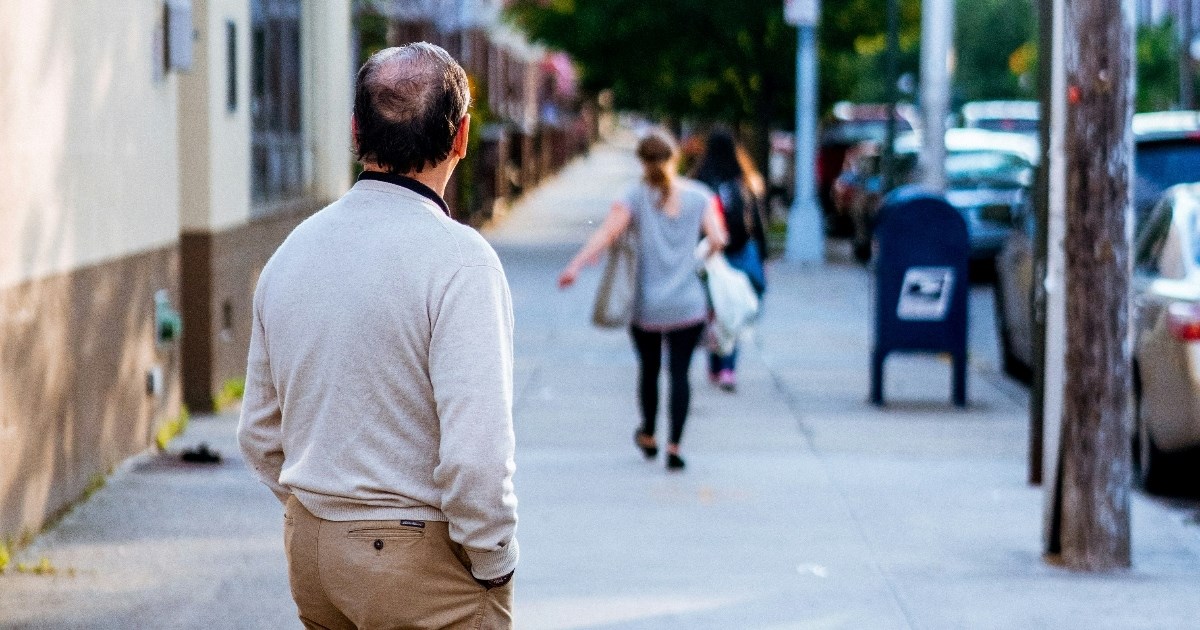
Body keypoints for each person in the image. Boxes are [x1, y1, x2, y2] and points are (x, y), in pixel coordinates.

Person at [238, 43, 518, 630]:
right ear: (462, 137)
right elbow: (475, 459)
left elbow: (260, 432)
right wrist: (494, 560)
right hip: (418, 560)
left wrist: (320, 510)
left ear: (355, 131)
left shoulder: (293, 251)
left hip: (313, 549)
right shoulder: (460, 262)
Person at [558, 129, 727, 471]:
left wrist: (575, 266)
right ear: (674, 158)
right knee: (680, 375)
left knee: (649, 371)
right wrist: (697, 259)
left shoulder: (633, 197)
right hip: (688, 305)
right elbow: (719, 238)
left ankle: (649, 435)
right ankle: (675, 446)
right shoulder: (700, 197)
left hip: (647, 305)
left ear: (642, 162)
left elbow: (606, 234)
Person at [691, 129, 769, 392]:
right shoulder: (744, 180)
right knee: (732, 309)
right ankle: (728, 368)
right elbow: (757, 222)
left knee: (714, 309)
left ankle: (714, 364)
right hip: (739, 250)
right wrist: (764, 257)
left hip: (710, 253)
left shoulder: (699, 180)